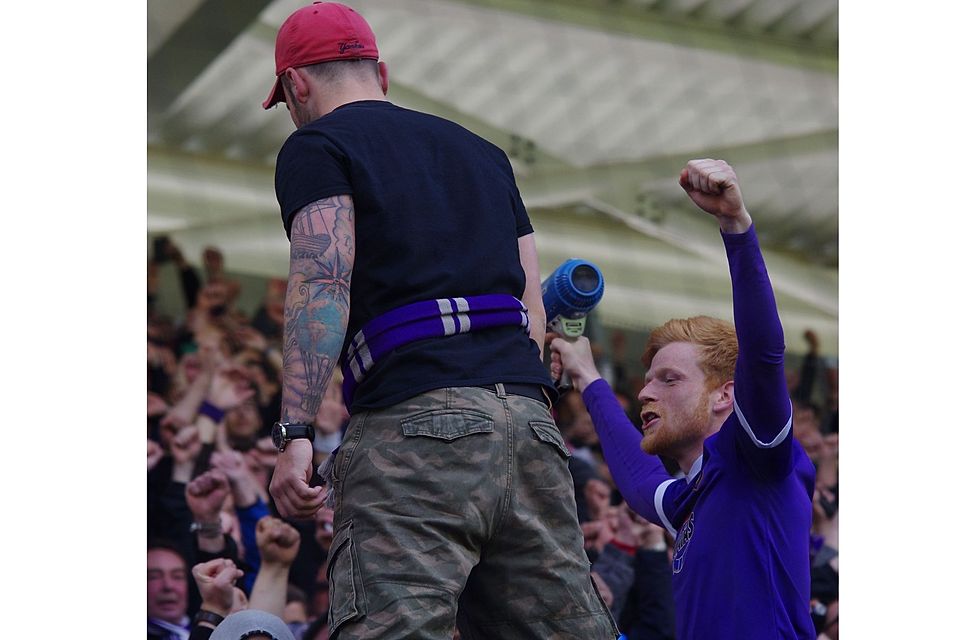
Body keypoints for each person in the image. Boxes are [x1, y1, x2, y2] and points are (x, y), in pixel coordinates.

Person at [261, 3, 618, 638]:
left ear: (298, 85)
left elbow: (322, 283)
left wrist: (295, 434)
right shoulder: (485, 154)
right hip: (528, 425)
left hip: (415, 424)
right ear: (383, 74)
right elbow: (533, 306)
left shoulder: (316, 145)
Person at [549, 159, 817, 639]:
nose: (646, 392)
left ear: (725, 397)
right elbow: (639, 481)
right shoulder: (689, 497)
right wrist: (586, 374)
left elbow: (764, 353)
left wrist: (736, 228)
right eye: (648, 380)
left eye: (669, 379)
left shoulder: (756, 461)